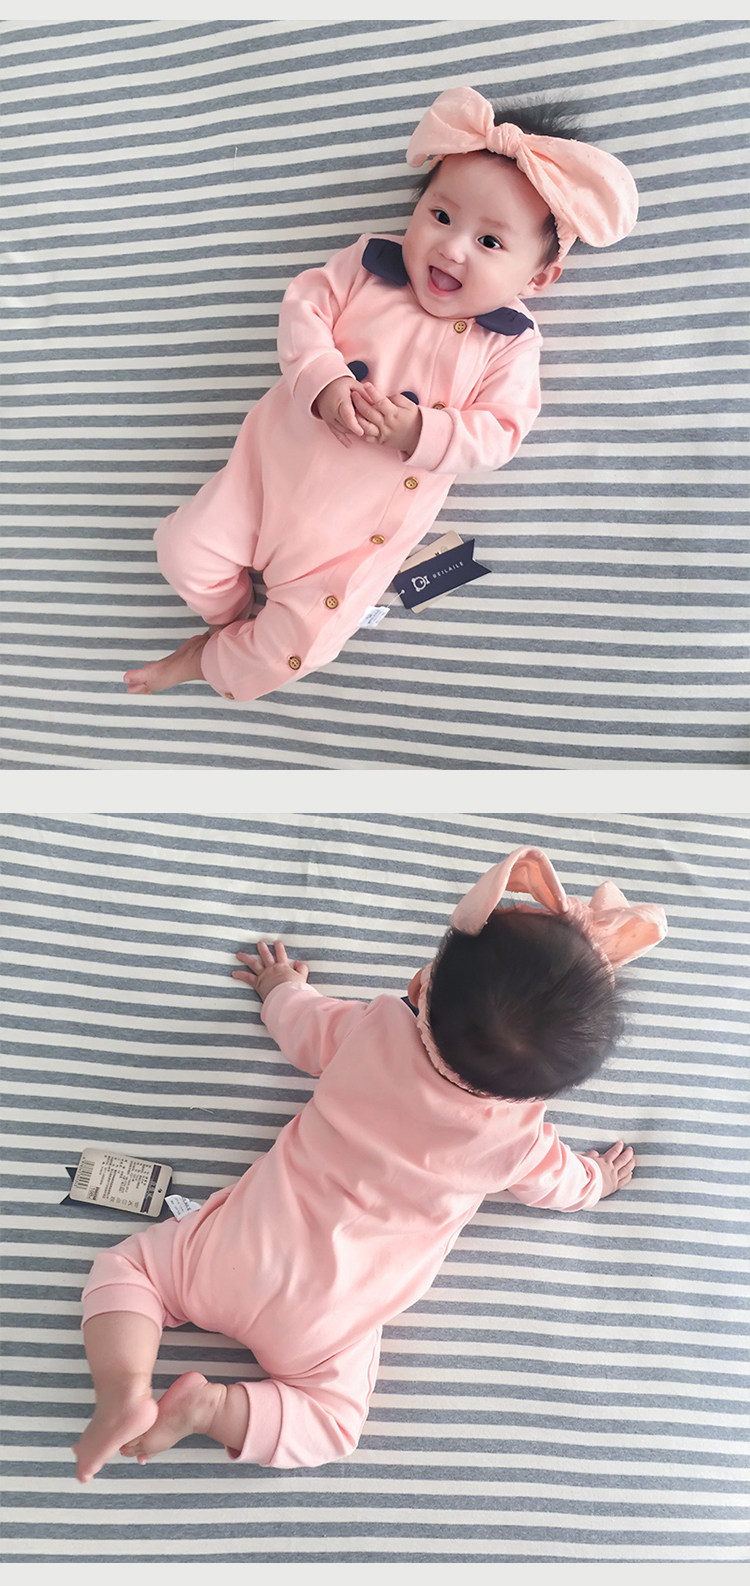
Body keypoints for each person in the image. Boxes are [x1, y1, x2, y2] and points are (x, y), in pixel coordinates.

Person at [72, 846, 666, 1482]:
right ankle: (211, 1409)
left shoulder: (372, 1029)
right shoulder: (519, 1142)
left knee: (129, 1270)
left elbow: (300, 1025)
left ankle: (124, 1388)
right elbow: (562, 1184)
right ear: (541, 1092)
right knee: (333, 1426)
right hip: (328, 1322)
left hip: (238, 1249)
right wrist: (597, 1180)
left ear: (423, 984)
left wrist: (280, 988)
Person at [122, 87, 638, 702]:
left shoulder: (508, 342)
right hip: (261, 481)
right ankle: (227, 617)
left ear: (539, 276)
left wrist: (419, 431)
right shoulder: (369, 265)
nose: (451, 247)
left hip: (349, 538)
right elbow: (304, 309)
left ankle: (208, 661)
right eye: (441, 217)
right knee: (182, 551)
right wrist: (327, 380)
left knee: (300, 647)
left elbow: (500, 432)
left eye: (490, 242)